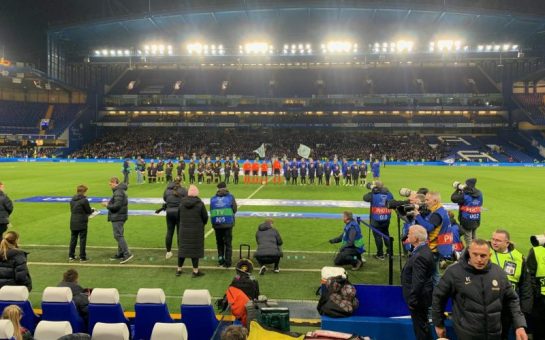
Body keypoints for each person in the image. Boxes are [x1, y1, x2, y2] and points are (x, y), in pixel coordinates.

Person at [432, 239, 528, 340]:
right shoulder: (454, 272)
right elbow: (438, 297)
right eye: (475, 254)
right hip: (467, 334)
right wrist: (438, 323)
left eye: (483, 256)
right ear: (469, 253)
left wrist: (519, 325)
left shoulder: (498, 272)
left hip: (495, 334)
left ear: (490, 255)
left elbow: (512, 299)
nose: (479, 259)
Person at [490, 229, 533, 340]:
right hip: (488, 304)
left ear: (507, 243)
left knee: (503, 334)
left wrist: (525, 309)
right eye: (493, 239)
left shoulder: (518, 257)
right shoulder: (485, 253)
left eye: (498, 240)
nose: (494, 242)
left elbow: (525, 285)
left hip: (508, 305)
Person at [401, 225, 434, 340]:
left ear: (416, 239)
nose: (407, 235)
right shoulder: (423, 250)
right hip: (422, 297)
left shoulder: (420, 255)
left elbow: (418, 281)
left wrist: (412, 300)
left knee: (420, 328)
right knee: (422, 326)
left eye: (409, 233)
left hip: (419, 299)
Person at [414, 191, 452, 285]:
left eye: (427, 199)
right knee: (433, 273)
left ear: (435, 201)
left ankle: (438, 294)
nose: (425, 202)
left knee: (434, 274)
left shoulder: (437, 214)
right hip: (439, 245)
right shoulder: (440, 210)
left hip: (434, 248)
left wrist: (417, 216)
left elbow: (429, 228)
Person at [177, 185, 208, 277]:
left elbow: (178, 216)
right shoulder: (200, 204)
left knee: (182, 249)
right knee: (195, 250)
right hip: (196, 230)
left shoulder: (182, 203)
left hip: (184, 230)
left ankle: (179, 269)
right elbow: (205, 217)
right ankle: (195, 271)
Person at [101, 177, 133, 264]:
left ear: (115, 182)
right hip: (120, 216)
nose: (110, 186)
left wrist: (107, 205)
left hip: (118, 216)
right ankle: (121, 253)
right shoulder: (119, 191)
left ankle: (127, 253)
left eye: (110, 184)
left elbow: (116, 206)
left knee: (118, 235)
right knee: (120, 234)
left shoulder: (118, 192)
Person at [363, 181, 393, 260]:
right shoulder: (389, 193)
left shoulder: (373, 194)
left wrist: (372, 190)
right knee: (386, 235)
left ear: (376, 186)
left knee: (378, 237)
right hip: (386, 218)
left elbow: (365, 198)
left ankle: (380, 254)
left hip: (376, 220)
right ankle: (390, 252)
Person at [211, 182, 238, 268]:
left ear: (217, 189)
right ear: (226, 188)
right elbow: (234, 209)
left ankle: (221, 260)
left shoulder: (213, 198)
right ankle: (228, 262)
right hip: (227, 223)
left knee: (219, 243)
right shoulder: (230, 197)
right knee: (228, 243)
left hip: (217, 224)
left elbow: (211, 210)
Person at [451, 178, 483, 245]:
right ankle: (477, 248)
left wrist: (458, 189)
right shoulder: (479, 193)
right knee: (474, 236)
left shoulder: (465, 195)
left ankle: (471, 252)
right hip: (476, 218)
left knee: (468, 238)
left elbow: (453, 198)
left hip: (466, 219)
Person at [162, 177, 187, 259]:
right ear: (181, 182)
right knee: (180, 232)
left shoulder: (167, 190)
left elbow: (165, 199)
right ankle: (181, 252)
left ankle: (168, 252)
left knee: (169, 232)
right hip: (180, 212)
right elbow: (186, 200)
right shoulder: (183, 190)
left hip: (169, 212)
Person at [69, 185, 94, 262]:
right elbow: (88, 211)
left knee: (73, 238)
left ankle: (71, 255)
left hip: (73, 221)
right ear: (84, 192)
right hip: (82, 222)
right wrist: (92, 210)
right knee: (82, 239)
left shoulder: (72, 200)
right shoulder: (84, 200)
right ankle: (82, 257)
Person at [527, 233, 545, 338]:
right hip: (540, 300)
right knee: (539, 332)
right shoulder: (536, 251)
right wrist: (536, 293)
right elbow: (529, 275)